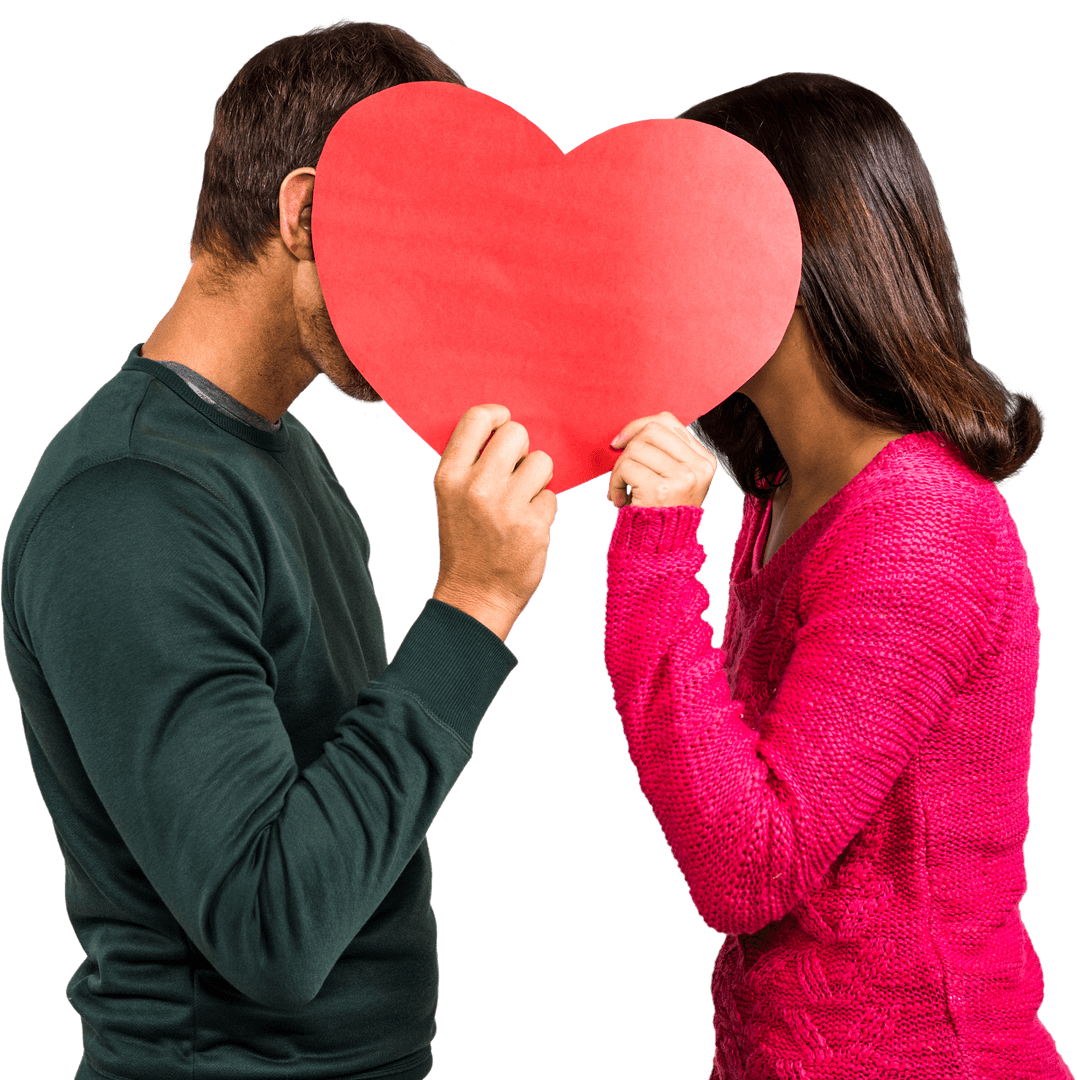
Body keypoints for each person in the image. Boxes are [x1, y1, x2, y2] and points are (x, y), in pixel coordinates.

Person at [1, 19, 555, 1080]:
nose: (447, 304)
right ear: (305, 213)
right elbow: (274, 926)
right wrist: (474, 606)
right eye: (424, 247)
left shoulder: (279, 457)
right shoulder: (133, 499)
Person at [603, 73, 1071, 1079]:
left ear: (793, 248)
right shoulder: (784, 491)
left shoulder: (918, 525)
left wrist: (654, 552)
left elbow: (749, 865)